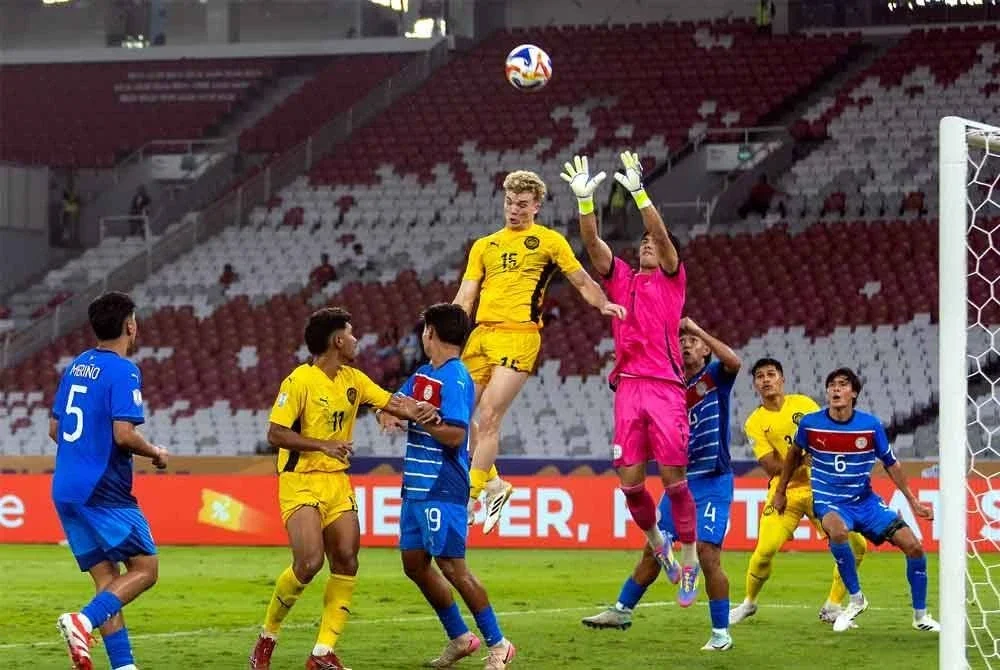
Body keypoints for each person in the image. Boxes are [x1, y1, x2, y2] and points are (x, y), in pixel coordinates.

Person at [248, 307, 429, 670]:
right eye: (351, 332)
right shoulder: (298, 382)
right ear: (337, 340)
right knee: (309, 562)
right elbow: (275, 433)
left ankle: (322, 653)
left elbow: (391, 401)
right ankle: (267, 637)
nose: (357, 339)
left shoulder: (353, 379)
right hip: (300, 482)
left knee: (346, 558)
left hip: (336, 482)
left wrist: (421, 409)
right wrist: (322, 444)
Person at [452, 168, 626, 534]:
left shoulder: (548, 241)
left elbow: (581, 278)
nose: (513, 210)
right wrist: (447, 328)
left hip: (519, 336)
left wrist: (602, 304)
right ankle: (495, 484)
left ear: (536, 206)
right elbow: (467, 295)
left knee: (488, 415)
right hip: (481, 336)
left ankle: (470, 498)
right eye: (509, 203)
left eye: (522, 204)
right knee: (456, 413)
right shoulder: (484, 246)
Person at [561, 151, 698, 601]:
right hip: (628, 388)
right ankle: (661, 546)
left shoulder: (672, 279)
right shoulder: (621, 278)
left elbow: (660, 233)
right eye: (641, 243)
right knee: (631, 484)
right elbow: (594, 246)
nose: (646, 245)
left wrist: (639, 192)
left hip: (665, 388)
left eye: (653, 244)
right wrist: (585, 203)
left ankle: (691, 559)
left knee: (675, 480)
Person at [581, 318, 740, 652]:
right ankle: (621, 611)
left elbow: (734, 362)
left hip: (712, 479)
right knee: (654, 552)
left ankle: (721, 633)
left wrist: (698, 329)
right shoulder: (666, 388)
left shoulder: (714, 378)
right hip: (679, 481)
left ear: (705, 350)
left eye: (692, 342)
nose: (686, 344)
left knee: (708, 555)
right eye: (681, 340)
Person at [379, 303, 517, 669]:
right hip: (415, 488)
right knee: (414, 564)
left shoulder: (457, 378)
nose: (422, 335)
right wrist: (388, 413)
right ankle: (459, 638)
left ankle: (499, 644)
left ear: (431, 333)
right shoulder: (424, 374)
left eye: (424, 329)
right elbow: (393, 403)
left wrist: (413, 417)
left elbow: (455, 435)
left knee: (453, 567)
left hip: (443, 485)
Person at [774, 367, 941, 633]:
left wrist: (913, 501)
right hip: (829, 500)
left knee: (915, 547)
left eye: (842, 385)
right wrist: (780, 491)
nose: (836, 389)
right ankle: (855, 599)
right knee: (837, 531)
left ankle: (920, 616)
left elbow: (891, 464)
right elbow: (794, 455)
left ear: (854, 393)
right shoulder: (810, 423)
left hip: (866, 503)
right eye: (832, 385)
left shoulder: (871, 426)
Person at [51, 291, 167, 670]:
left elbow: (55, 428)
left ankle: (123, 665)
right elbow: (123, 434)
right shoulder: (124, 370)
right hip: (103, 490)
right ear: (130, 325)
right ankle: (82, 622)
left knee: (107, 579)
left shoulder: (76, 366)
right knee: (145, 569)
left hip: (65, 488)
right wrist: (155, 453)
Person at [729, 358, 868, 626]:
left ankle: (833, 605)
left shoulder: (804, 404)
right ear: (756, 385)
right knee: (765, 550)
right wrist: (802, 460)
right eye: (760, 376)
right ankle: (749, 602)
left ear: (782, 379)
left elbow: (827, 436)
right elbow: (771, 466)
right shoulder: (755, 422)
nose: (766, 379)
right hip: (785, 493)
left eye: (771, 374)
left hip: (821, 491)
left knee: (856, 544)